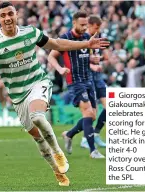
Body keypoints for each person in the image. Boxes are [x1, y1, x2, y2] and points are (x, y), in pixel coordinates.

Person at [0, 2, 109, 186]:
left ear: (16, 15)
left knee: (37, 116)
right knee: (37, 138)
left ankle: (57, 150)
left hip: (37, 82)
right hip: (17, 95)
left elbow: (56, 43)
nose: (7, 18)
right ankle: (58, 171)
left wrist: (86, 44)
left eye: (10, 14)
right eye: (3, 15)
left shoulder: (30, 32)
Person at [47, 11, 105, 158]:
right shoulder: (65, 38)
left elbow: (84, 57)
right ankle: (93, 150)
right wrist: (60, 69)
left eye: (86, 24)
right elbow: (51, 56)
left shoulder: (87, 38)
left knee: (92, 116)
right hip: (75, 81)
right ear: (74, 23)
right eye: (82, 24)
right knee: (87, 112)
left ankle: (69, 134)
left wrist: (93, 59)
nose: (85, 27)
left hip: (88, 79)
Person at [79, 15, 107, 149]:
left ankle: (95, 133)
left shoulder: (97, 38)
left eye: (99, 28)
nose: (97, 30)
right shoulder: (83, 39)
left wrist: (100, 58)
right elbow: (81, 60)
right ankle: (84, 137)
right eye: (96, 27)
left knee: (109, 107)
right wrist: (92, 65)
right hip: (88, 77)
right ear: (89, 25)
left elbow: (99, 56)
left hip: (98, 77)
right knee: (91, 114)